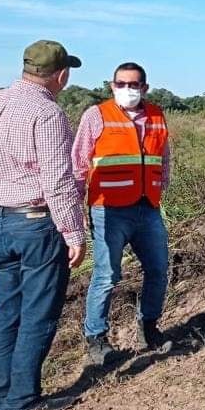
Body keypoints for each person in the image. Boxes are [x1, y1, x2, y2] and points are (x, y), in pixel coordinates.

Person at [0, 40, 87, 410]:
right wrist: (73, 233)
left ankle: (3, 401)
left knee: (5, 312)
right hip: (36, 223)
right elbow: (58, 181)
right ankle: (21, 402)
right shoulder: (47, 113)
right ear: (61, 75)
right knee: (37, 314)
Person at [72, 62, 172, 366]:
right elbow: (79, 163)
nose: (127, 89)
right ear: (112, 85)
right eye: (121, 84)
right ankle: (96, 339)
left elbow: (163, 156)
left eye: (133, 84)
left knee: (158, 269)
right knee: (107, 275)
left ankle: (149, 328)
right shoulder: (97, 115)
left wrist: (160, 187)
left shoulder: (156, 115)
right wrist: (76, 207)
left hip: (147, 207)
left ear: (144, 87)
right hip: (108, 210)